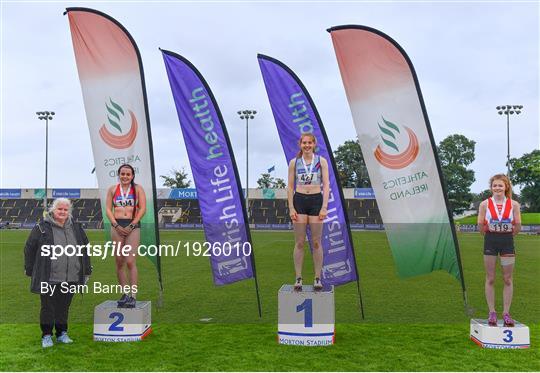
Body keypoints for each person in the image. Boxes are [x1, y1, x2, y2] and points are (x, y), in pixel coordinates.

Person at [24, 198, 92, 348]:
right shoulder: (41, 227)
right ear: (52, 210)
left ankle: (62, 333)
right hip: (49, 276)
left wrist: (87, 270)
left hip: (71, 276)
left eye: (65, 209)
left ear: (69, 212)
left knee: (63, 307)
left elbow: (85, 249)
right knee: (48, 307)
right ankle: (46, 335)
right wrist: (30, 269)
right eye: (59, 209)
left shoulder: (77, 227)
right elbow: (29, 248)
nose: (62, 212)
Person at [287, 133, 330, 291]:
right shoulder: (294, 162)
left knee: (316, 242)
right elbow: (290, 186)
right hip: (299, 201)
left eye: (309, 143)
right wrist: (291, 207)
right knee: (299, 242)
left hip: (315, 201)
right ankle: (298, 277)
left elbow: (326, 185)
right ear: (300, 144)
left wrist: (324, 206)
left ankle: (317, 277)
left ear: (314, 144)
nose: (306, 145)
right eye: (304, 143)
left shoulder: (321, 161)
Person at [477, 174, 521, 327]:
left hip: (507, 242)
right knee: (490, 278)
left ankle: (506, 313)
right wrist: (490, 231)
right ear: (491, 188)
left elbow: (518, 226)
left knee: (508, 279)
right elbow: (480, 226)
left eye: (500, 185)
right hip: (490, 241)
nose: (497, 188)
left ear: (506, 187)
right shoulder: (484, 204)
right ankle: (492, 312)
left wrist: (506, 234)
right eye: (495, 185)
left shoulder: (514, 204)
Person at [106, 164, 146, 308]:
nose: (125, 176)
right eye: (122, 174)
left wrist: (132, 224)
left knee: (130, 261)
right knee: (119, 261)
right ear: (119, 174)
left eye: (128, 174)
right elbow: (108, 209)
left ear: (132, 176)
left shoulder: (138, 189)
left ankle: (133, 296)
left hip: (133, 225)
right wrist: (115, 224)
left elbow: (142, 208)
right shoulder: (112, 189)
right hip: (116, 226)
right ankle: (125, 293)